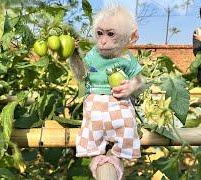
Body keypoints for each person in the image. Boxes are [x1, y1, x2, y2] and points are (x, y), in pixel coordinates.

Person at [69, 4, 144, 180]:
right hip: (95, 97)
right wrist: (74, 55)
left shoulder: (126, 58)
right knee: (92, 122)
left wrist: (131, 86)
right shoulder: (93, 55)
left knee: (127, 121)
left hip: (119, 99)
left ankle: (117, 156)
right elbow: (81, 75)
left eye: (111, 34)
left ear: (128, 38)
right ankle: (95, 155)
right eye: (99, 33)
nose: (103, 41)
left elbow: (140, 80)